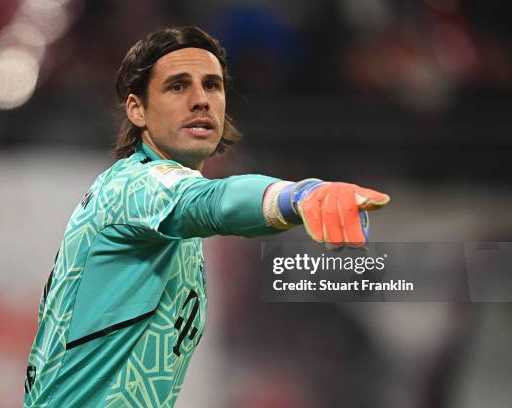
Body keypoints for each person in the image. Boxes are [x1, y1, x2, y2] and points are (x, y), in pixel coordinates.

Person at [23, 26, 390, 408]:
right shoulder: (134, 188)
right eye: (177, 86)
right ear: (137, 109)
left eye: (212, 85)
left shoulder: (171, 231)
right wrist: (295, 196)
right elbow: (216, 202)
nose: (200, 100)